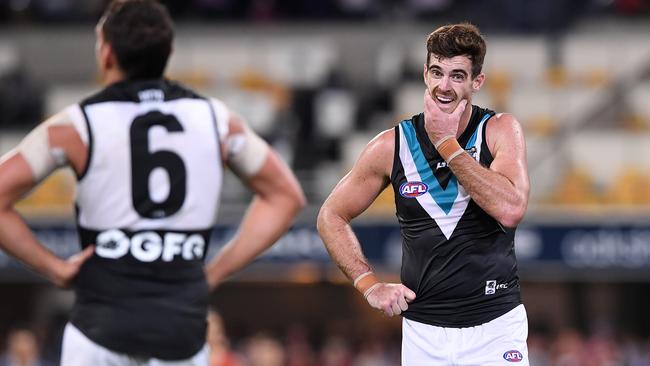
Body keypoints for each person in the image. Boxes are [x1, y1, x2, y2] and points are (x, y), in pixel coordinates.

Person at [0, 0, 305, 364]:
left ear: (106, 53)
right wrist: (215, 271)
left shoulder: (75, 125)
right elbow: (287, 196)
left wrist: (55, 268)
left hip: (100, 329)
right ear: (169, 52)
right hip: (181, 332)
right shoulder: (218, 121)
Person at [317, 23, 530, 365]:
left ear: (477, 82)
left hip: (495, 326)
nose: (444, 86)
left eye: (457, 76)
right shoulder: (391, 145)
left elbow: (510, 208)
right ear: (425, 75)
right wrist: (369, 284)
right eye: (437, 72)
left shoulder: (499, 130)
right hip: (423, 333)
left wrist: (447, 144)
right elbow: (331, 215)